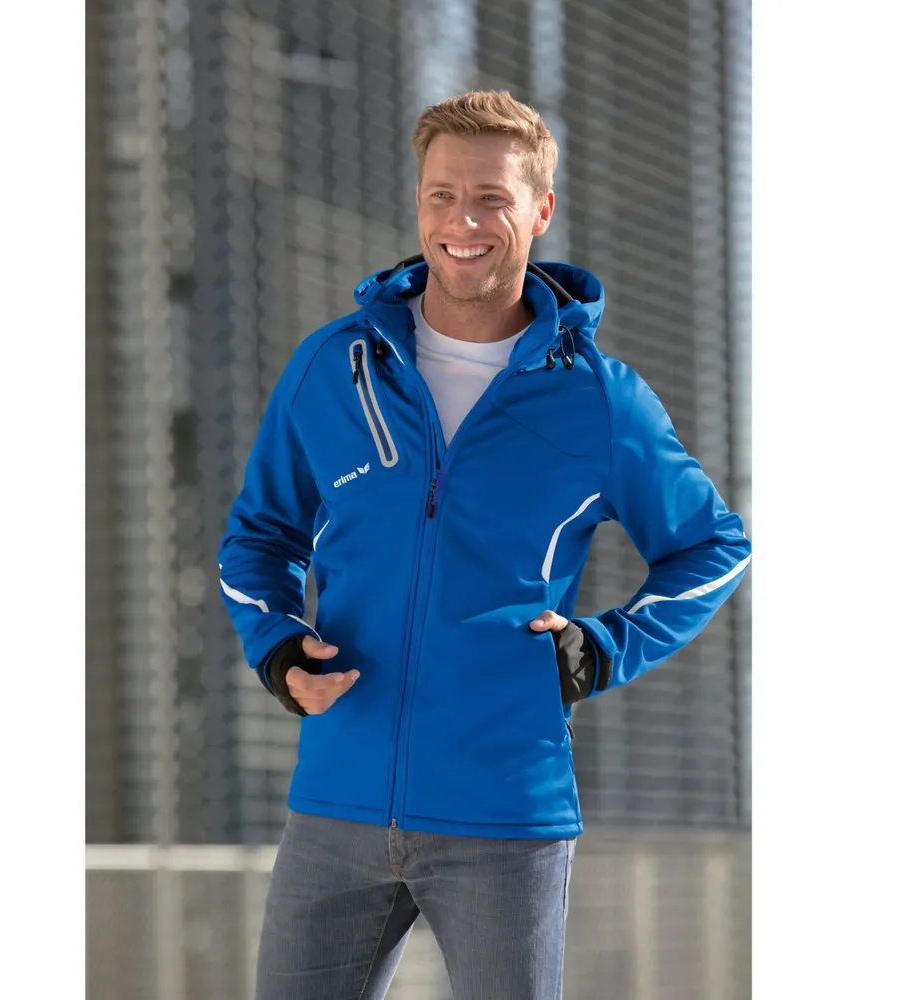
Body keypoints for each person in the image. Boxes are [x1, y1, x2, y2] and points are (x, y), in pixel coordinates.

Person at [219, 90, 751, 1000]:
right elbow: (259, 536)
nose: (462, 222)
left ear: (540, 210)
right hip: (337, 801)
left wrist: (604, 647)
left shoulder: (599, 400)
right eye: (442, 196)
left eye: (492, 200)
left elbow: (715, 545)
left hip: (506, 813)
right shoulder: (334, 367)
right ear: (418, 202)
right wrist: (276, 647)